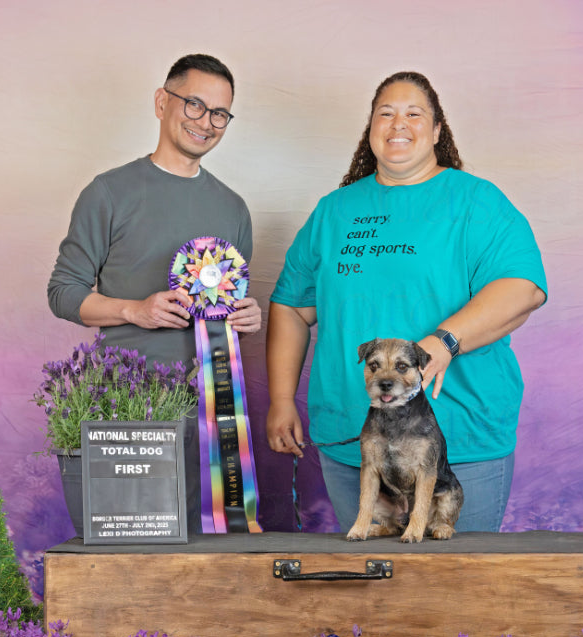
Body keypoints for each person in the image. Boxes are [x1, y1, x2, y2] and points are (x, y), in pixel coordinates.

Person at [266, 70, 547, 533]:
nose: (399, 123)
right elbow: (293, 306)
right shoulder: (335, 211)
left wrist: (444, 342)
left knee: (452, 597)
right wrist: (280, 398)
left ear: (437, 130)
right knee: (372, 596)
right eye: (386, 113)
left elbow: (523, 288)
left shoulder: (476, 201)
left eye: (414, 113)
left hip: (458, 442)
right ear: (371, 128)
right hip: (354, 442)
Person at [48, 53, 261, 533]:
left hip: (212, 414)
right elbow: (63, 292)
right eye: (194, 105)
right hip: (127, 412)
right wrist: (133, 310)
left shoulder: (233, 209)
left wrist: (243, 319)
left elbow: (224, 313)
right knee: (136, 558)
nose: (207, 123)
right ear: (163, 102)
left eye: (220, 114)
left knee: (206, 550)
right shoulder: (108, 193)